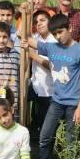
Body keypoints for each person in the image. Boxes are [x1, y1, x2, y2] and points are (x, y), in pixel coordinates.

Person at [23, 13, 80, 159]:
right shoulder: (52, 47)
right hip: (56, 101)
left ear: (69, 29)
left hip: (73, 104)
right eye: (55, 33)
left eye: (61, 32)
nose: (59, 36)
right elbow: (30, 40)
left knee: (70, 140)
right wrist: (25, 15)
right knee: (45, 136)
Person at [27, 9, 56, 138]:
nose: (39, 24)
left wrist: (34, 56)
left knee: (44, 119)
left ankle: (42, 145)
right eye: (36, 22)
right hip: (35, 83)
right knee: (32, 115)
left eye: (42, 20)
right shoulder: (35, 38)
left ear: (50, 22)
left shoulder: (54, 41)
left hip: (48, 88)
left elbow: (53, 66)